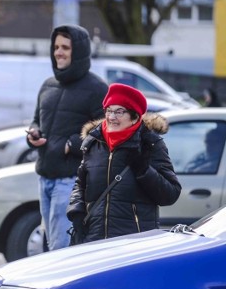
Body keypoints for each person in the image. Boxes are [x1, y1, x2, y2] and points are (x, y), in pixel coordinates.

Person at [26, 24, 108, 251]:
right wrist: (34, 134)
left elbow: (105, 133)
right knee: (51, 244)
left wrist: (69, 145)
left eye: (65, 47)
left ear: (79, 51)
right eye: (55, 47)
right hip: (44, 177)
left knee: (60, 249)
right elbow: (36, 120)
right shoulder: (47, 85)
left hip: (71, 181)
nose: (58, 52)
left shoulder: (97, 88)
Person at [67, 83, 181, 242]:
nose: (112, 117)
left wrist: (144, 171)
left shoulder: (150, 144)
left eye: (119, 112)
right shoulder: (93, 142)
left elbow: (171, 194)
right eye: (109, 110)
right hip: (93, 239)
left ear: (135, 116)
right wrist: (76, 211)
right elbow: (80, 184)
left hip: (133, 242)